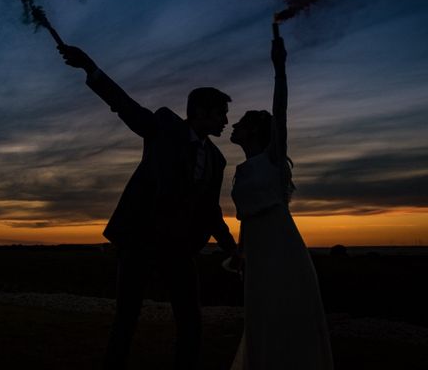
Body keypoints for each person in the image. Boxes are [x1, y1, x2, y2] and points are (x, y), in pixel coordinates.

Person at [57, 43, 238, 370]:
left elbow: (211, 212)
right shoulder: (165, 126)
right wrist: (90, 67)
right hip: (140, 241)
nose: (226, 121)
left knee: (190, 320)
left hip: (179, 250)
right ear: (200, 112)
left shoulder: (217, 159)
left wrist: (233, 251)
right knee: (126, 318)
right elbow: (124, 105)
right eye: (221, 114)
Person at [229, 29, 333, 369]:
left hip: (281, 245)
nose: (234, 125)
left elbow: (281, 110)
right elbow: (245, 216)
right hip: (257, 251)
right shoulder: (241, 170)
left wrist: (279, 68)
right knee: (260, 317)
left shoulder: (272, 159)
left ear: (256, 132)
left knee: (286, 316)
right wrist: (241, 253)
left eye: (242, 122)